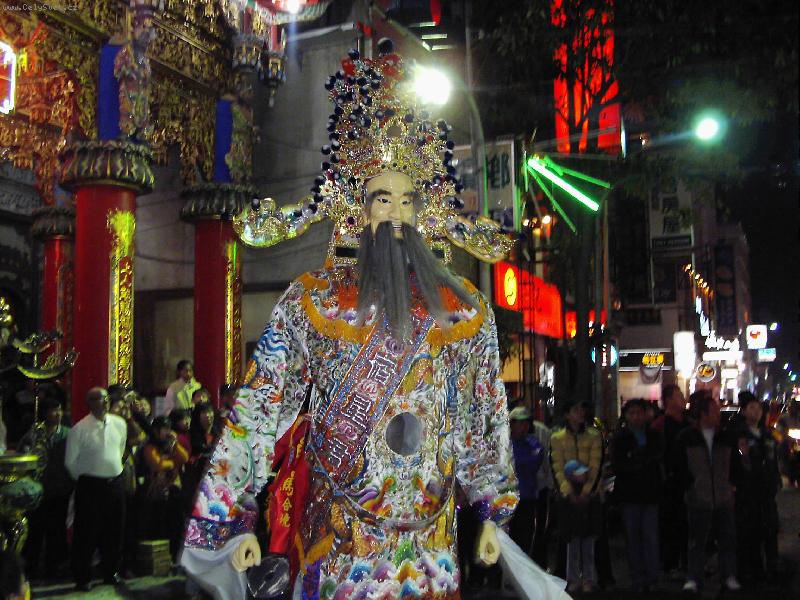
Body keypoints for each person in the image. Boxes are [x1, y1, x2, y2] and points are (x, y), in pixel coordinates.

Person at [180, 44, 527, 600]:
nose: (396, 213)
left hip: (432, 548)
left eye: (408, 201)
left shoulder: (463, 311)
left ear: (424, 210)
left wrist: (492, 512)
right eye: (381, 200)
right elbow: (259, 411)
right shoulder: (313, 302)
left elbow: (481, 420)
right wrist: (236, 519)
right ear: (358, 211)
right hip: (342, 543)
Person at [675, 390, 741, 594]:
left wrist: (732, 485)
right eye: (714, 411)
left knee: (727, 539)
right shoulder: (687, 437)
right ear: (703, 414)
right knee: (697, 540)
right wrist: (691, 487)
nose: (718, 415)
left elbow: (736, 465)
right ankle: (694, 577)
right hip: (699, 496)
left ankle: (728, 575)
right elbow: (678, 467)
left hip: (723, 495)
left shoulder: (726, 436)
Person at [64, 387, 127, 591]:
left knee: (114, 530)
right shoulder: (80, 429)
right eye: (100, 399)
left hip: (114, 483)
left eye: (106, 398)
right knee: (86, 532)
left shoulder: (119, 423)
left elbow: (121, 449)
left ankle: (111, 571)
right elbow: (70, 462)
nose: (105, 402)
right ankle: (83, 577)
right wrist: (88, 477)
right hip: (90, 486)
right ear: (90, 402)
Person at [612, 399, 664, 592]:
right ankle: (638, 577)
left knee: (650, 536)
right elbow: (618, 464)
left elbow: (656, 458)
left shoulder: (653, 435)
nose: (635, 417)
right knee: (633, 537)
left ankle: (651, 576)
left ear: (645, 414)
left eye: (639, 413)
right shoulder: (621, 437)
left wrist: (635, 459)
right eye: (632, 413)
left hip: (649, 492)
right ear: (626, 415)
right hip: (630, 493)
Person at [18, 396, 72, 580]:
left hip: (59, 489)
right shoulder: (34, 432)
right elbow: (23, 453)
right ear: (45, 413)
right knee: (35, 530)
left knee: (56, 530)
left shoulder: (67, 433)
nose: (57, 414)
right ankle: (31, 569)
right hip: (37, 489)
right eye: (53, 410)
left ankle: (54, 568)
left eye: (59, 409)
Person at [551, 401, 603, 593]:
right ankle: (572, 578)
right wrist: (568, 491)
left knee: (588, 538)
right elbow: (557, 466)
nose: (580, 413)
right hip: (569, 494)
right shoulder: (557, 438)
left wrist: (586, 491)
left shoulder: (594, 436)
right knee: (571, 539)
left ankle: (589, 578)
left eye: (582, 410)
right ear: (566, 415)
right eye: (575, 410)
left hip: (589, 493)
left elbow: (596, 466)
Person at [732, 392, 781, 583]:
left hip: (766, 489)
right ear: (744, 411)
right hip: (748, 489)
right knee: (749, 529)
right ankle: (752, 569)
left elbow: (773, 460)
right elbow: (739, 461)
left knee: (770, 527)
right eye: (752, 408)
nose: (757, 411)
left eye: (759, 408)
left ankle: (772, 566)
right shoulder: (740, 435)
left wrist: (775, 480)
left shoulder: (767, 434)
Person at [651, 383, 689, 575]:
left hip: (688, 481)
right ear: (668, 400)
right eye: (678, 395)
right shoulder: (660, 425)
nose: (682, 398)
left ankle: (685, 562)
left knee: (687, 524)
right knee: (670, 524)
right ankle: (670, 563)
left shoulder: (688, 422)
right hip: (669, 484)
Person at [141, 416, 189, 562]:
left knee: (176, 524)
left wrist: (175, 444)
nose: (168, 432)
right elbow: (157, 464)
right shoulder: (150, 446)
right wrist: (172, 462)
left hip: (174, 490)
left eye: (169, 428)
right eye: (164, 429)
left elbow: (184, 458)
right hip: (156, 493)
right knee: (159, 526)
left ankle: (175, 556)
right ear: (156, 431)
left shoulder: (171, 444)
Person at [508, 406, 544, 556]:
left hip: (527, 497)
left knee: (525, 538)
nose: (524, 426)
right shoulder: (504, 444)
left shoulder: (534, 443)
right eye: (520, 423)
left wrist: (517, 461)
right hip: (507, 499)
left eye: (526, 423)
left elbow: (534, 462)